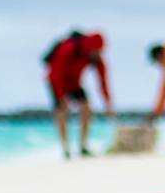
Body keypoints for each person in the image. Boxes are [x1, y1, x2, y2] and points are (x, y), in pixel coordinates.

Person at [43, 30, 113, 158]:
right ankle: (66, 149)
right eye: (95, 51)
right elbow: (56, 73)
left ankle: (83, 146)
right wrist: (61, 97)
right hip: (56, 80)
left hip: (74, 83)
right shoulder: (69, 48)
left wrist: (108, 105)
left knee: (87, 109)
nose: (97, 54)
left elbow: (103, 82)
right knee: (62, 112)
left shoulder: (96, 57)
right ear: (90, 47)